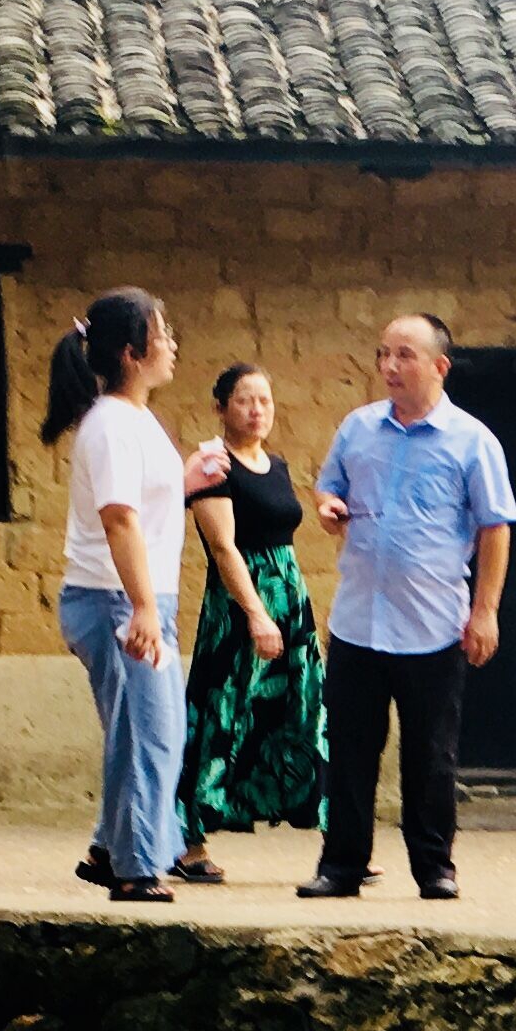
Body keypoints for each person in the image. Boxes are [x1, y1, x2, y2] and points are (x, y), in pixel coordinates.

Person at [304, 316, 515, 906]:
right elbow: (328, 487)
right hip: (357, 620)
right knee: (348, 751)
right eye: (383, 355)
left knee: (430, 757)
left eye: (404, 355)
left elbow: (495, 528)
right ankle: (341, 864)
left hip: (432, 623)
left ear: (439, 366)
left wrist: (486, 611)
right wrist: (328, 507)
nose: (390, 367)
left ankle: (434, 868)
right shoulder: (357, 428)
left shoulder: (473, 440)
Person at [47, 289, 196, 906]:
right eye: (163, 335)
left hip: (138, 596)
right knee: (150, 734)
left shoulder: (135, 418)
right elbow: (118, 518)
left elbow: (144, 501)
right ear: (133, 353)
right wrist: (140, 608)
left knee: (141, 729)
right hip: (116, 599)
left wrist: (192, 479)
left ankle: (111, 848)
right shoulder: (110, 422)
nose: (173, 346)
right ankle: (136, 867)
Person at [179, 362, 327, 868]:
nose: (257, 410)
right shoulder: (213, 466)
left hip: (291, 596)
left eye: (264, 399)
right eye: (244, 400)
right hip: (241, 602)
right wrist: (257, 615)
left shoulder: (279, 466)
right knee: (223, 711)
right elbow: (223, 548)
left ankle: (338, 841)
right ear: (220, 408)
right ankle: (191, 841)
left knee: (307, 710)